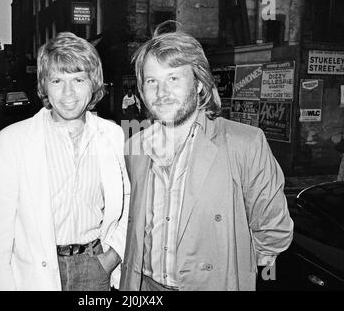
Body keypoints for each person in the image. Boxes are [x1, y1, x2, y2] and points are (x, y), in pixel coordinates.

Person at [119, 28, 293, 291]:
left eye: (174, 78)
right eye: (151, 81)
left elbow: (273, 231)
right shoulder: (134, 147)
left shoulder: (244, 144)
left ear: (199, 84)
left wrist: (242, 272)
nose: (161, 92)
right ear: (141, 89)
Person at [0, 32, 130, 291]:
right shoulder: (11, 141)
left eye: (78, 79)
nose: (68, 92)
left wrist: (111, 257)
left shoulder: (112, 134)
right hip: (34, 275)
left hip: (94, 268)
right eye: (57, 80)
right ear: (44, 86)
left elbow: (129, 203)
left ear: (93, 83)